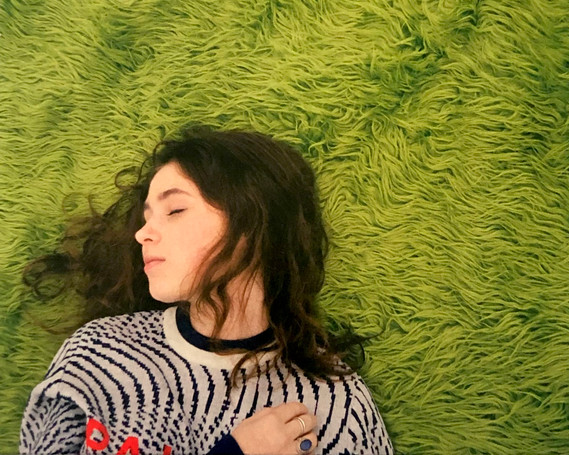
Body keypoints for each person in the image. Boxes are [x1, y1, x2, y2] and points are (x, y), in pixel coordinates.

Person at [19, 124, 394, 454]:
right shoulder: (98, 352)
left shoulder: (335, 400)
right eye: (147, 217)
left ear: (255, 223)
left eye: (175, 210)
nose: (142, 233)